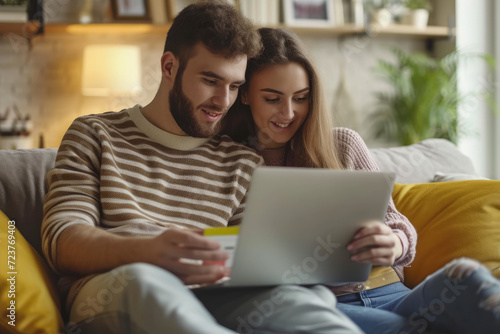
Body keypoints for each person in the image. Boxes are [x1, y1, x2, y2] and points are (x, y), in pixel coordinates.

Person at [41, 2, 364, 334]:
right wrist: (149, 250)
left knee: (296, 302)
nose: (223, 101)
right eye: (210, 80)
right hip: (115, 288)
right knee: (147, 281)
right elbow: (62, 241)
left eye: (235, 86)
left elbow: (254, 261)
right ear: (169, 67)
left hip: (213, 294)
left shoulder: (242, 161)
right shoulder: (94, 134)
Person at [223, 27, 500, 334]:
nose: (288, 113)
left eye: (301, 98)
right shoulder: (229, 163)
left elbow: (397, 223)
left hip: (393, 293)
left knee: (467, 277)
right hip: (322, 308)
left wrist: (394, 243)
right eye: (273, 98)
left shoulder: (343, 145)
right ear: (245, 93)